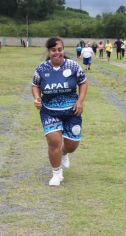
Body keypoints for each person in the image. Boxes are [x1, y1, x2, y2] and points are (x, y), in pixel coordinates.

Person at [32, 37, 88, 186]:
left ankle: (64, 153)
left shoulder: (73, 66)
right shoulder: (41, 69)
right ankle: (56, 173)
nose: (57, 53)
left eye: (59, 49)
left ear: (63, 50)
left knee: (72, 145)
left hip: (72, 111)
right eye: (53, 50)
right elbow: (35, 85)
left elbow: (83, 83)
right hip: (49, 111)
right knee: (53, 142)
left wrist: (80, 102)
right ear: (49, 52)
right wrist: (37, 98)